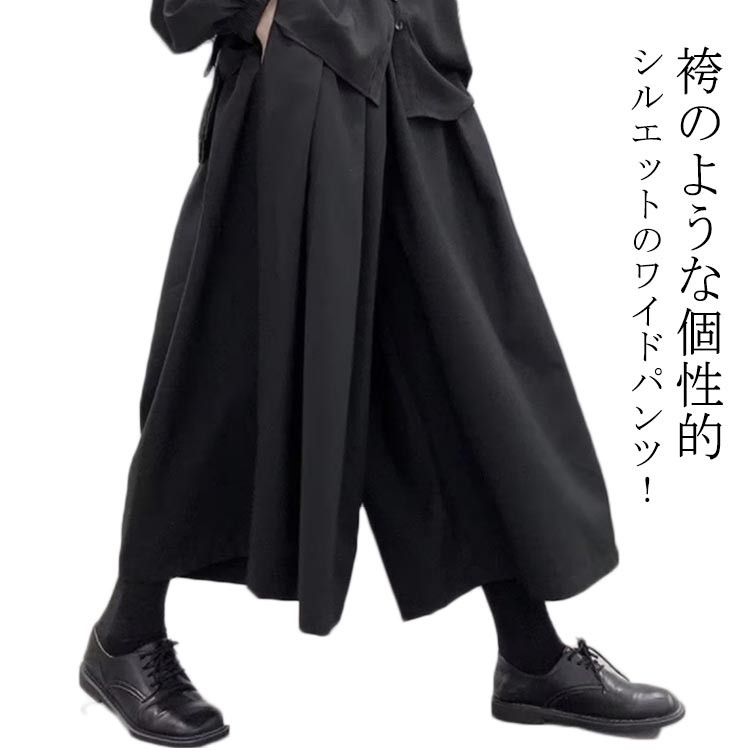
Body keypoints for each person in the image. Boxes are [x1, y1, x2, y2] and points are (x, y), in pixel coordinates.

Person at [79, 1, 685, 745]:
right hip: (302, 82)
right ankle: (126, 634)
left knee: (466, 361)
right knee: (224, 371)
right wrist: (267, 14)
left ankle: (531, 654)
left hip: (413, 74)